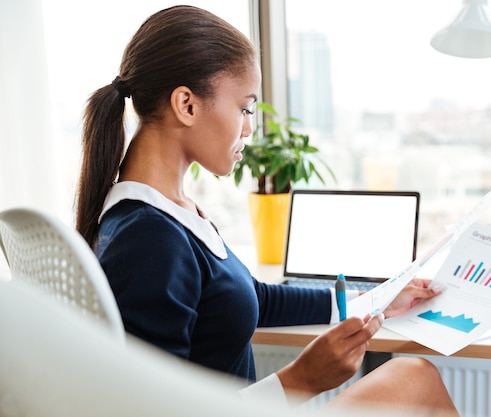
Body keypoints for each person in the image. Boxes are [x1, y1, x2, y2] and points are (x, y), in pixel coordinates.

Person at [75, 5, 459, 416]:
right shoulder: (150, 240)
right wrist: (299, 381)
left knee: (412, 376)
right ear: (186, 104)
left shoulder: (168, 214)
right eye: (244, 109)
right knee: (414, 378)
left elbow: (249, 296)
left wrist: (374, 300)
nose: (248, 128)